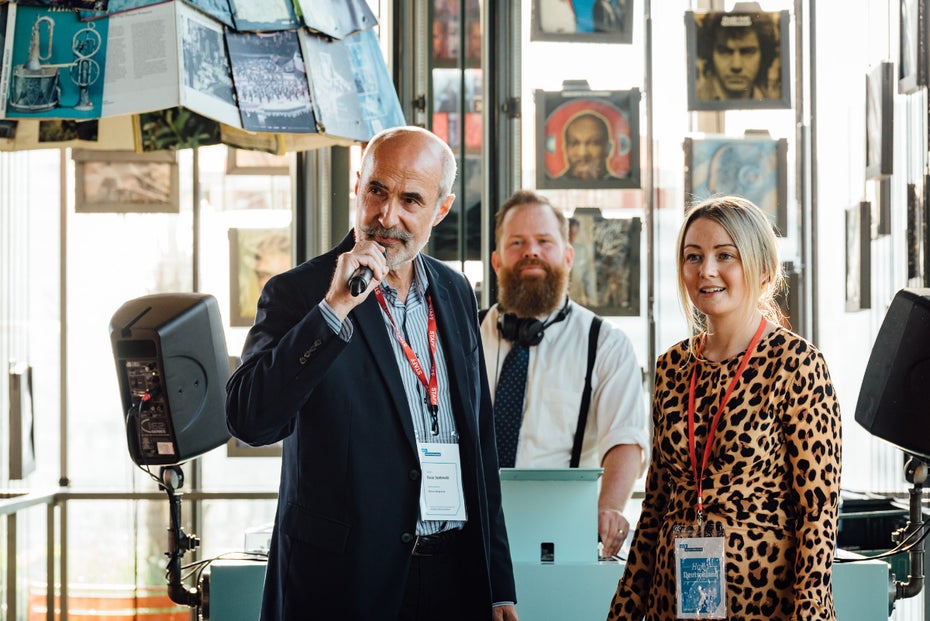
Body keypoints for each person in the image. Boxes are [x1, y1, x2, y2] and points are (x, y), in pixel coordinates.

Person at [226, 126, 519, 621]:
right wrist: (334, 309)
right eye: (377, 191)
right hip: (344, 584)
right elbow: (250, 420)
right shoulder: (298, 294)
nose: (388, 216)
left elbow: (479, 443)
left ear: (440, 210)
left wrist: (498, 585)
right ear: (357, 187)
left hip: (452, 575)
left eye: (411, 200)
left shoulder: (454, 293)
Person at [607, 196, 842, 620]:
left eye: (725, 255)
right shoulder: (672, 367)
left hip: (766, 603)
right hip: (673, 598)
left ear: (763, 269)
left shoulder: (797, 364)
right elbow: (657, 501)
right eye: (692, 256)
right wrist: (625, 609)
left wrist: (810, 613)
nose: (706, 271)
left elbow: (818, 515)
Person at [479, 190, 649, 559]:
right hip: (471, 539)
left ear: (568, 256)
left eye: (544, 241)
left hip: (559, 543)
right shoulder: (466, 336)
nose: (531, 252)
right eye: (517, 243)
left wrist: (611, 508)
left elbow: (624, 440)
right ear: (496, 261)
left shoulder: (605, 344)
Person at [695, 12, 779, 101]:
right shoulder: (693, 100)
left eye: (747, 52)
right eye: (725, 52)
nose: (736, 65)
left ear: (764, 55)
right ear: (710, 54)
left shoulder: (773, 102)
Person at [560, 112, 619, 181]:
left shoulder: (623, 186)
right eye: (574, 143)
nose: (582, 153)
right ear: (565, 149)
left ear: (608, 149)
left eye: (593, 143)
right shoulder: (554, 185)